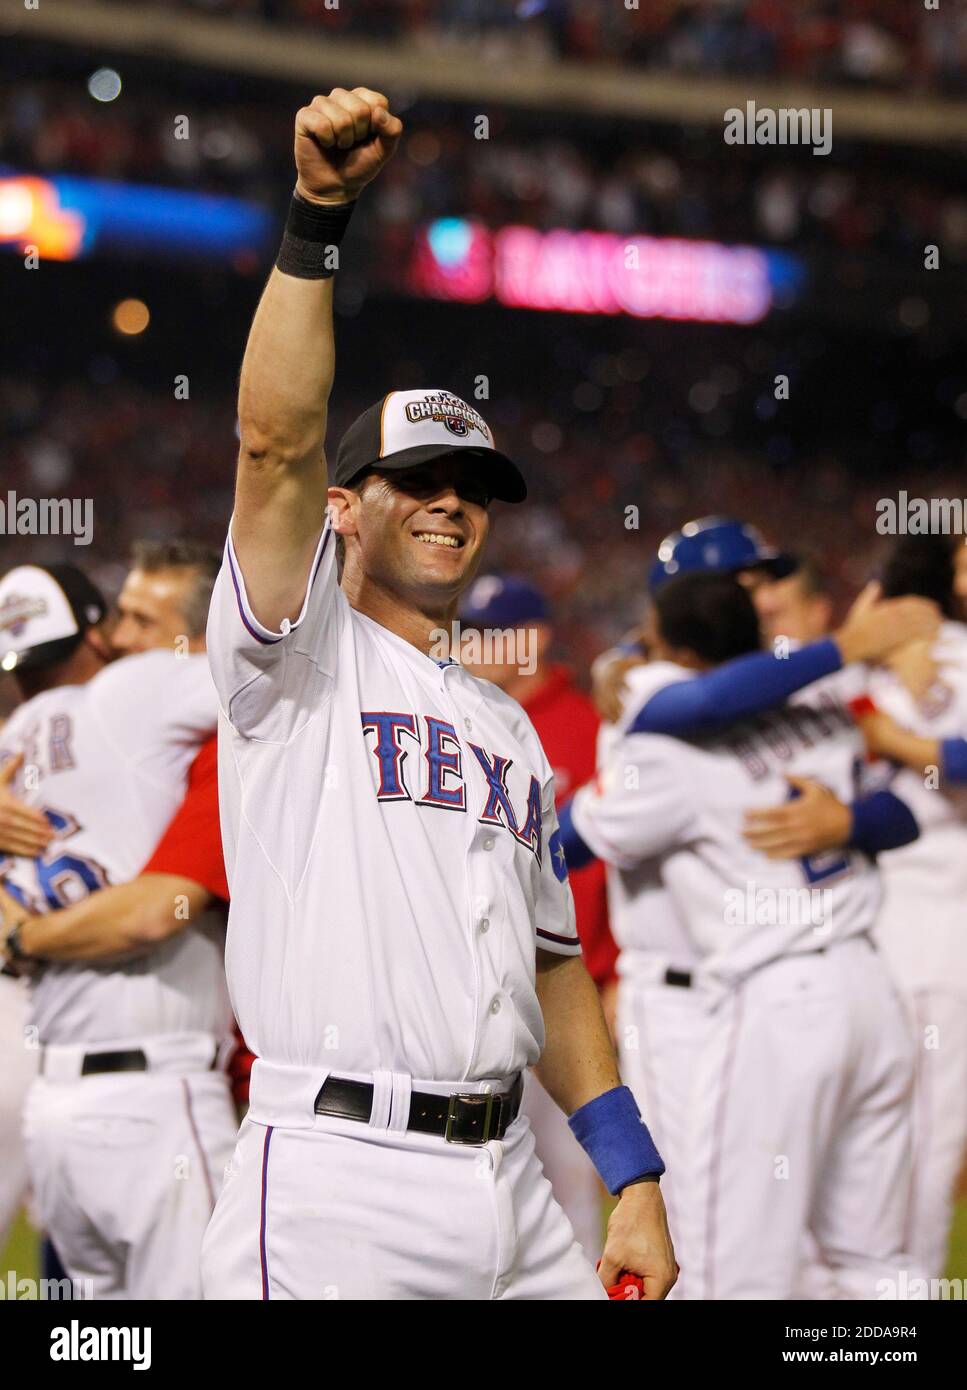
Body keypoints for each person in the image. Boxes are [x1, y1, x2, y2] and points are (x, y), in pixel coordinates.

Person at [202, 86, 676, 1301]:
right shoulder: (293, 653)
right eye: (415, 478)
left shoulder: (507, 725)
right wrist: (317, 218)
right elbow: (272, 440)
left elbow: (554, 958)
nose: (452, 501)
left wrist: (628, 1175)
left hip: (510, 1183)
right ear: (345, 508)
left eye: (471, 484)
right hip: (334, 1179)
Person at [563, 571, 925, 1300]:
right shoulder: (817, 707)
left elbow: (560, 844)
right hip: (870, 995)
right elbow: (905, 809)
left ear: (671, 644)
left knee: (729, 1265)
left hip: (776, 1006)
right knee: (874, 1264)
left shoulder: (667, 741)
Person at [0, 561, 236, 1300]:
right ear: (94, 637)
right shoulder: (130, 692)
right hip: (155, 1091)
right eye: (120, 623)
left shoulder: (15, 737)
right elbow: (271, 666)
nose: (126, 639)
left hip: (57, 1106)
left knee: (98, 1338)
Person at [459, 572, 617, 1262]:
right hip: (477, 987)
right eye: (468, 631)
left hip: (566, 990)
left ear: (537, 639)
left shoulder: (586, 726)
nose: (475, 647)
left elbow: (604, 869)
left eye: (493, 635)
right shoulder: (460, 715)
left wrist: (608, 979)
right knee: (480, 1182)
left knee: (569, 1187)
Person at [847, 535, 967, 1280]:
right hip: (939, 935)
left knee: (872, 1138)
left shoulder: (862, 671)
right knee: (927, 1140)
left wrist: (880, 722)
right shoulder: (903, 660)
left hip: (869, 930)